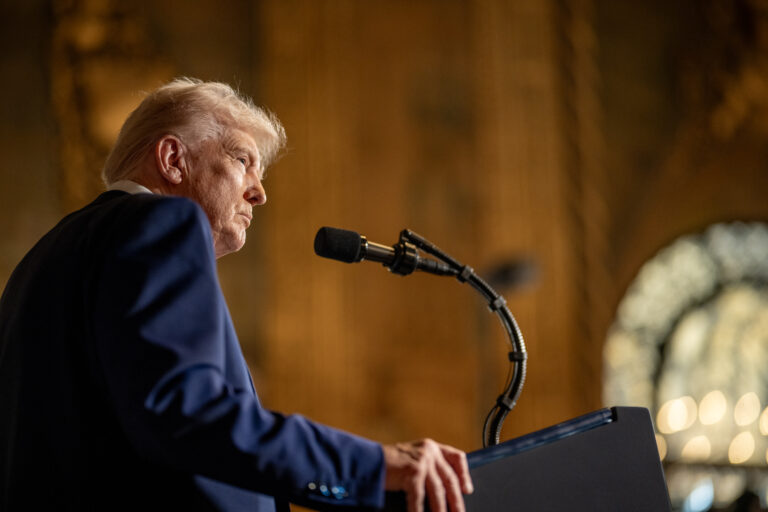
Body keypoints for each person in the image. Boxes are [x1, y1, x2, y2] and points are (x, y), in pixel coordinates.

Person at [0, 78, 473, 512]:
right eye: (242, 160)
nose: (259, 193)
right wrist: (375, 467)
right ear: (172, 160)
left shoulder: (42, 261)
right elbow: (188, 413)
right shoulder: (159, 221)